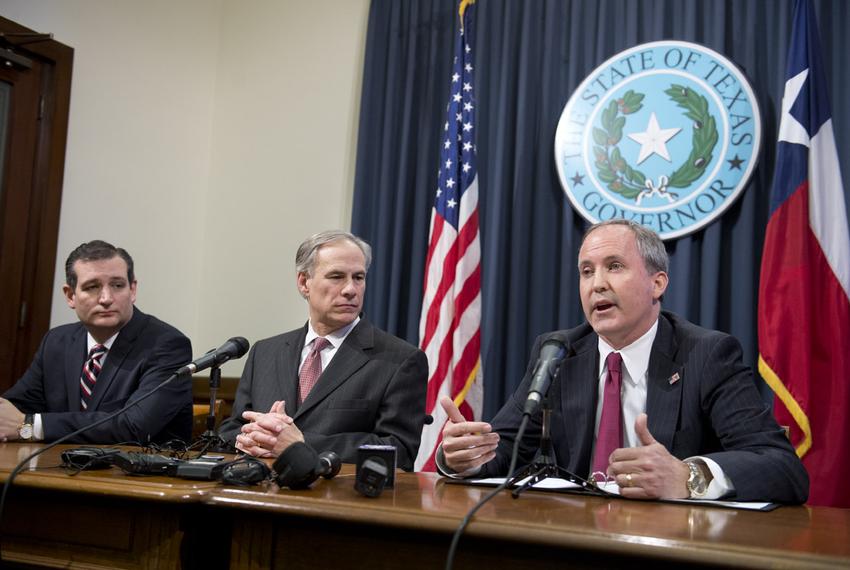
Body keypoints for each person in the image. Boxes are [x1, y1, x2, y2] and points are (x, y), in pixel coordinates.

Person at [438, 220, 808, 503]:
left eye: (614, 266)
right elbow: (507, 446)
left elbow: (783, 467)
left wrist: (687, 477)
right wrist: (467, 457)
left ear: (657, 283)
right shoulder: (559, 352)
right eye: (586, 271)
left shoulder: (706, 354)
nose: (596, 284)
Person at [218, 230, 428, 470]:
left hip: (338, 500)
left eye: (358, 277)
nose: (351, 289)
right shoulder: (265, 352)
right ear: (304, 282)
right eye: (337, 276)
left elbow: (399, 451)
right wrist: (250, 439)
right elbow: (233, 429)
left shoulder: (401, 359)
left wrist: (301, 444)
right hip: (260, 495)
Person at [0, 240, 193, 444]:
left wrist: (31, 426)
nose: (106, 298)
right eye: (92, 287)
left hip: (135, 474)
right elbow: (16, 406)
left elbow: (133, 426)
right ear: (70, 296)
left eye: (117, 285)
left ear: (132, 290)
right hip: (57, 469)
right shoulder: (57, 342)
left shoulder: (167, 345)